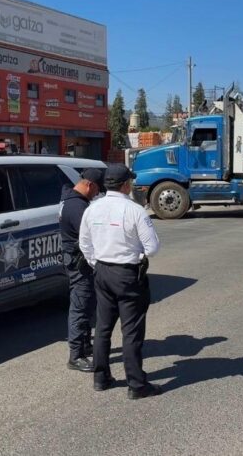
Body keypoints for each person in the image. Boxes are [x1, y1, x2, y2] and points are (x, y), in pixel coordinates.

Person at [78, 164, 161, 399]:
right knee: (131, 331)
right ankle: (136, 384)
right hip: (127, 274)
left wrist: (97, 263)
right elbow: (152, 248)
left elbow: (85, 244)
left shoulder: (92, 209)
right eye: (130, 182)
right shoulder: (135, 210)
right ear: (125, 185)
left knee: (103, 328)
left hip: (102, 271)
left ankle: (101, 378)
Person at [60, 168, 105, 372]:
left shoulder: (73, 201)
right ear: (89, 185)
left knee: (86, 304)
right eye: (96, 190)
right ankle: (75, 355)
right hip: (79, 263)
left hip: (80, 262)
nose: (97, 194)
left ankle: (85, 345)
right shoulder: (77, 206)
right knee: (79, 306)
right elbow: (89, 235)